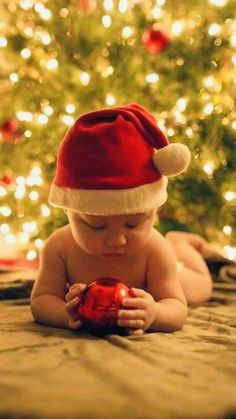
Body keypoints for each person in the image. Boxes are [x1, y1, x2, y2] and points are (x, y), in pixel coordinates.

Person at [30, 103, 212, 335]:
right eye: (96, 225)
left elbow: (177, 308)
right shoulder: (58, 248)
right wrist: (67, 313)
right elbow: (42, 300)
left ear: (153, 210)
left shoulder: (155, 249)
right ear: (68, 210)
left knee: (200, 287)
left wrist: (154, 313)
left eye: (133, 224)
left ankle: (182, 244)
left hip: (166, 277)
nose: (117, 240)